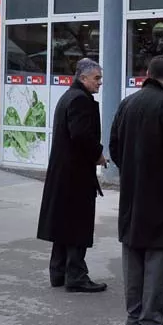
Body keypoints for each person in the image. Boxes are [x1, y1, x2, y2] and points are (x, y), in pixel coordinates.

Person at [110, 56, 163, 325]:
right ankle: (152, 321)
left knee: (132, 252)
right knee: (157, 254)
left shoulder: (127, 103)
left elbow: (114, 146)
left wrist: (130, 170)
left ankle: (134, 318)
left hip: (132, 190)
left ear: (147, 74)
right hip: (162, 192)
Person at [37, 58, 108, 293]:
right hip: (75, 174)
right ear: (83, 77)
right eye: (96, 78)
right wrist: (98, 154)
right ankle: (76, 275)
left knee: (63, 224)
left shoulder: (69, 96)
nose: (100, 82)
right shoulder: (80, 100)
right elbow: (81, 135)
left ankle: (58, 272)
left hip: (65, 173)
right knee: (77, 224)